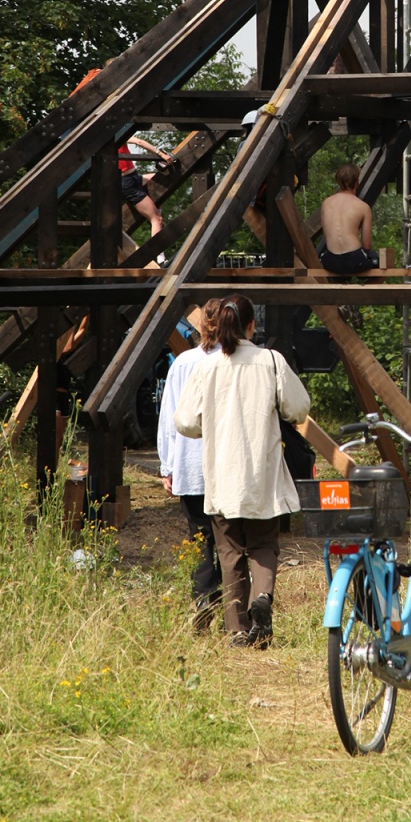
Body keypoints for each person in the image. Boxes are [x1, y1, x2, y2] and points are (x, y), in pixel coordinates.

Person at [174, 295, 311, 647]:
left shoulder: (206, 367)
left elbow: (186, 423)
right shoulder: (270, 361)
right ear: (252, 325)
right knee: (264, 544)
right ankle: (262, 600)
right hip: (262, 474)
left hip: (222, 474)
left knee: (230, 550)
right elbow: (298, 408)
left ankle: (237, 630)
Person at [157, 301, 223, 632]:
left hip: (190, 461)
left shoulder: (183, 363)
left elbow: (170, 416)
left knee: (199, 536)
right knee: (229, 537)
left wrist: (167, 465)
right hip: (227, 464)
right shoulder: (236, 360)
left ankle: (201, 601)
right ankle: (228, 603)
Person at [118, 137, 176, 264]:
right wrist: (161, 154)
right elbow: (139, 141)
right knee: (157, 219)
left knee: (160, 178)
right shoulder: (117, 135)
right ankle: (160, 257)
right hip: (128, 183)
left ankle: (156, 207)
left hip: (134, 178)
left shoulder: (108, 137)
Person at [318, 164, 378, 274]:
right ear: (357, 182)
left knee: (324, 259)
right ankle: (364, 290)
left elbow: (327, 236)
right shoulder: (363, 207)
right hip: (354, 259)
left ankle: (341, 287)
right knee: (377, 261)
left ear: (338, 181)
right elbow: (366, 245)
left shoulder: (326, 203)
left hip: (331, 260)